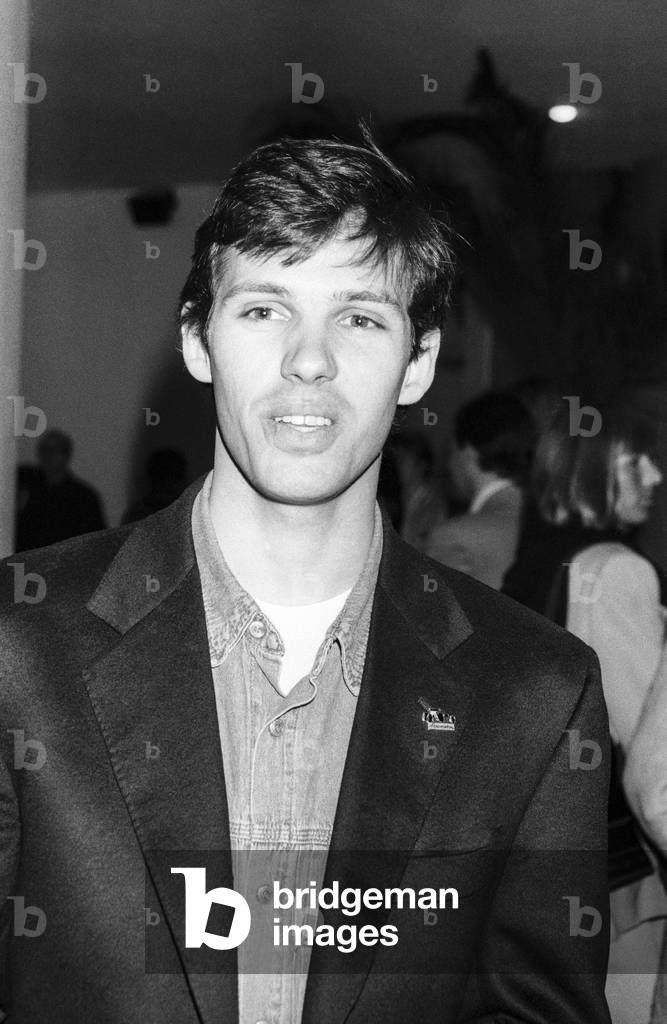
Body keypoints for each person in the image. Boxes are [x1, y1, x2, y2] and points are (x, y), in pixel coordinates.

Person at [0, 135, 611, 1023]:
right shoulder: (22, 646)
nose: (309, 360)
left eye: (360, 317)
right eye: (263, 311)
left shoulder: (533, 693)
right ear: (198, 342)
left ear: (420, 362)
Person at [504, 399, 667, 1024]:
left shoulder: (537, 562)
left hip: (541, 867)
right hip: (620, 875)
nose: (654, 476)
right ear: (587, 470)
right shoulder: (616, 571)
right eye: (636, 461)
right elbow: (649, 759)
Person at [425, 390, 534, 588]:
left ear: (466, 452)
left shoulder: (454, 538)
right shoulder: (551, 523)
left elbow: (434, 616)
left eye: (451, 451)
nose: (449, 465)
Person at [14, 428, 105, 550]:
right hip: (23, 562)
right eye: (44, 449)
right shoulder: (23, 480)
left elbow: (96, 543)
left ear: (66, 455)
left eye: (54, 450)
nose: (48, 455)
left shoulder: (84, 498)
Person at [390, 430, 446, 550]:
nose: (398, 465)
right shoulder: (398, 499)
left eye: (403, 460)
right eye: (397, 459)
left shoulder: (434, 503)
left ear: (421, 465)